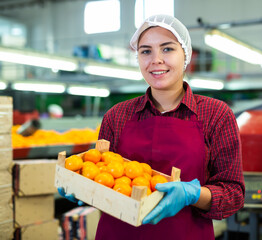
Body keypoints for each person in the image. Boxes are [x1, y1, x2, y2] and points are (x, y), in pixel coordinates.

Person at [60, 14, 245, 240]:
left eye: (167, 49)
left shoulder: (216, 115)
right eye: (146, 51)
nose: (156, 59)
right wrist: (82, 187)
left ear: (185, 55)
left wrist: (193, 195)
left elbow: (233, 194)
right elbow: (102, 176)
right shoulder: (116, 116)